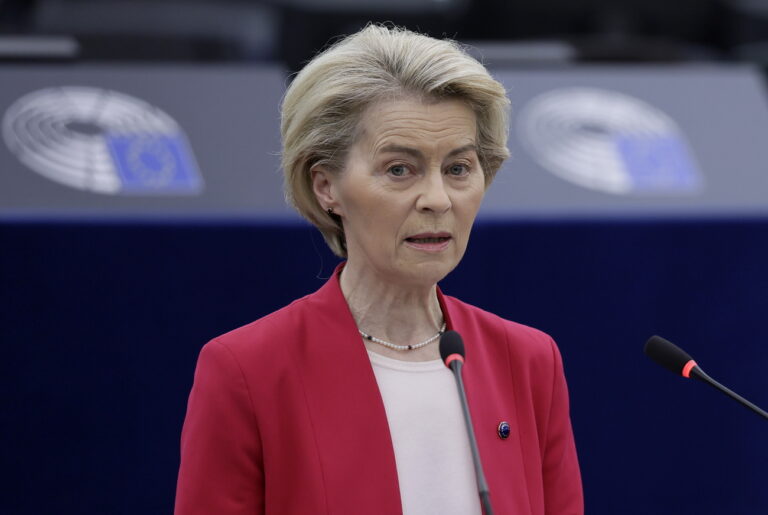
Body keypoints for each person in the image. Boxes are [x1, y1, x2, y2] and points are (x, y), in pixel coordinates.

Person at [175, 24, 583, 515]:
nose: (436, 200)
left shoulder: (528, 361)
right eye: (399, 169)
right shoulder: (247, 371)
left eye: (458, 169)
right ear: (326, 186)